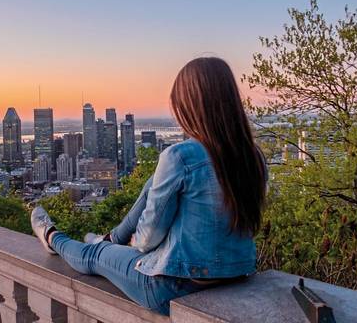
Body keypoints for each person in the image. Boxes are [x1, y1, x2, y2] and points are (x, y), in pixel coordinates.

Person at [31, 57, 268, 315]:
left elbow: (147, 239)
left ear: (190, 106)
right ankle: (112, 237)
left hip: (175, 285)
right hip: (236, 275)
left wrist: (136, 241)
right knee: (153, 181)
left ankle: (51, 236)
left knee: (95, 255)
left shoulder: (180, 156)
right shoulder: (253, 157)